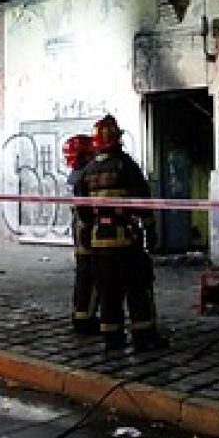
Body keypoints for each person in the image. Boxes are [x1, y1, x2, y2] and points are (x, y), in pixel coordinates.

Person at [74, 114, 165, 353]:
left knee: (108, 291)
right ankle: (143, 336)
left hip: (98, 239)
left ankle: (112, 338)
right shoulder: (126, 165)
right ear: (117, 140)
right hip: (125, 239)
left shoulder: (88, 171)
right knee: (137, 286)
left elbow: (82, 210)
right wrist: (150, 229)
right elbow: (142, 201)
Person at [63, 133, 98, 334]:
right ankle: (85, 319)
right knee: (90, 275)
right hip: (87, 230)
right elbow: (86, 209)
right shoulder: (84, 174)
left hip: (79, 230)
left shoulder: (74, 175)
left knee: (83, 274)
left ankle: (80, 315)